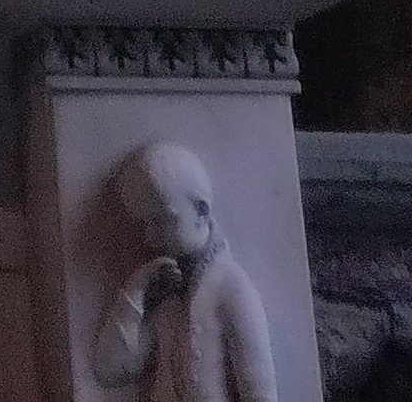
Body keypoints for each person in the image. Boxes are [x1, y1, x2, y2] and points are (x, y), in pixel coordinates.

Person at [89, 145, 276, 402]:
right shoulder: (163, 283)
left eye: (162, 220)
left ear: (201, 211)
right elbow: (109, 371)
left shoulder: (233, 289)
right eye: (143, 224)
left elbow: (260, 393)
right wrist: (136, 294)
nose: (150, 237)